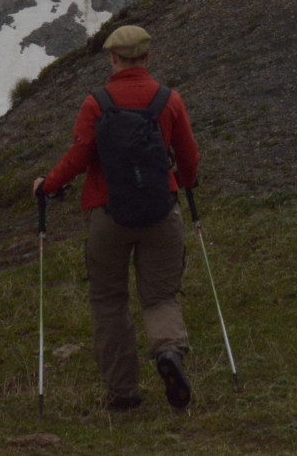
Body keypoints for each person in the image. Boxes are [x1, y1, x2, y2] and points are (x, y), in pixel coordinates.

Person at [33, 24, 201, 412]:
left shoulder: (96, 103)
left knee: (109, 301)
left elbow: (79, 156)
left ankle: (123, 393)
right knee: (159, 296)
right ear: (147, 57)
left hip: (107, 215)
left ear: (112, 59)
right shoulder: (169, 100)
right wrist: (187, 183)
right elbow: (188, 157)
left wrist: (48, 185)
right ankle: (168, 353)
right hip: (161, 212)